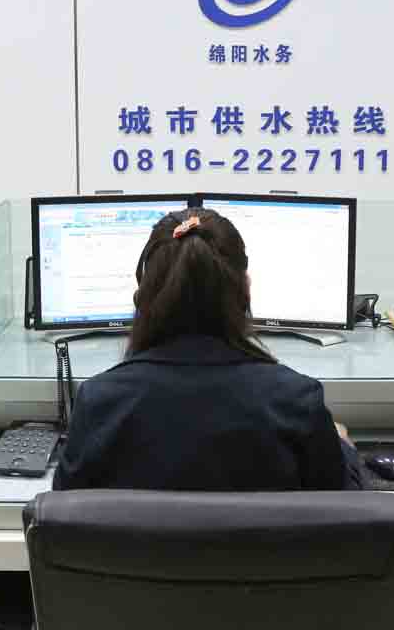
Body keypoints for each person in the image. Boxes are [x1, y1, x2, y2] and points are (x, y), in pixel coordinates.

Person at [53, 208, 363, 491]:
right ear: (245, 289)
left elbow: (63, 513)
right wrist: (342, 446)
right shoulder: (296, 401)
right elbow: (344, 510)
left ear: (143, 297)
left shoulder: (100, 403)